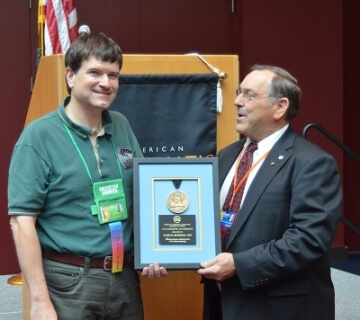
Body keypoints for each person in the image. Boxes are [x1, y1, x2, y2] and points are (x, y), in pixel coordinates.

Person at [8, 32, 167, 320]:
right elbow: (22, 223)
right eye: (95, 72)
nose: (106, 83)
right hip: (69, 283)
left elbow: (147, 195)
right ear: (70, 76)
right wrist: (40, 301)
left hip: (125, 278)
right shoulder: (38, 136)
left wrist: (154, 250)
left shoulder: (121, 125)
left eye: (113, 75)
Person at [197, 65, 342, 320]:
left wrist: (238, 266)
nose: (236, 101)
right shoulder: (226, 156)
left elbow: (308, 240)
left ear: (280, 107)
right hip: (222, 302)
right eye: (239, 92)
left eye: (249, 95)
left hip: (277, 308)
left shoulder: (312, 163)